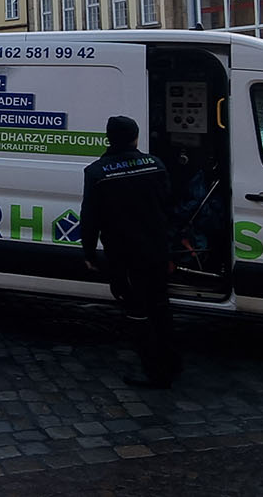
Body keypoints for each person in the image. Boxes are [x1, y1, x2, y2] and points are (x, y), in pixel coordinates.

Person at [80, 114, 184, 388]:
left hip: (125, 256)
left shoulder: (97, 173)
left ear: (108, 138)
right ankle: (172, 362)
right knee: (161, 307)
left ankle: (155, 373)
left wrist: (89, 253)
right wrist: (172, 245)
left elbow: (90, 218)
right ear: (136, 137)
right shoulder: (155, 165)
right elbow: (170, 209)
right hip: (157, 251)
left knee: (138, 314)